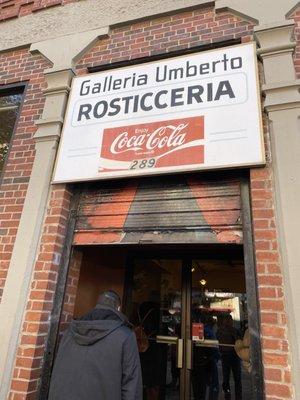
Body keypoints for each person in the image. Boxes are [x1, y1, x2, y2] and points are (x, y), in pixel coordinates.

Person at [49, 290, 143, 400]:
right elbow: (131, 383)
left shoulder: (70, 331)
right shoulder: (125, 336)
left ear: (97, 305)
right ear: (118, 308)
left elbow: (57, 373)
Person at [217, 314, 242, 400]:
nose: (228, 322)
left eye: (229, 320)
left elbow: (239, 341)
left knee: (236, 379)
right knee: (227, 380)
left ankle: (237, 397)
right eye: (227, 320)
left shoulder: (233, 330)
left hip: (233, 356)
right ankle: (228, 396)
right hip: (227, 356)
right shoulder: (221, 331)